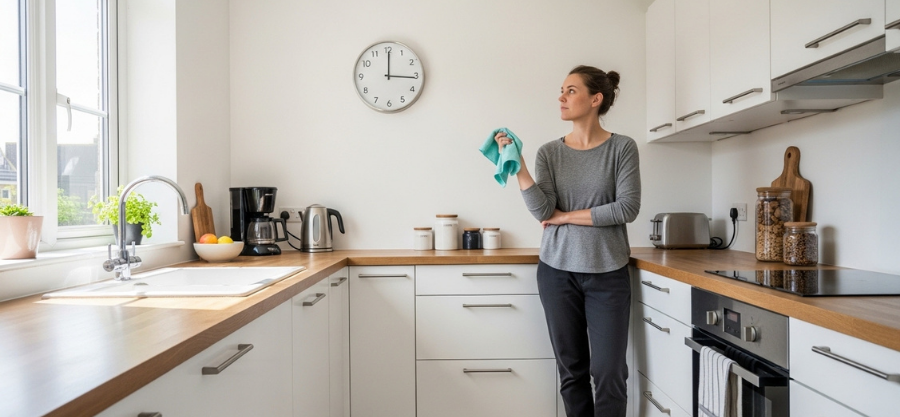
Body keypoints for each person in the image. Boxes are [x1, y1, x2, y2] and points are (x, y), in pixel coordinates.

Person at [495, 65, 641, 417]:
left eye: (571, 90)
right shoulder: (549, 153)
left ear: (596, 99)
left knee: (609, 372)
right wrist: (520, 167)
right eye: (562, 90)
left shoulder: (622, 148)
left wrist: (566, 216)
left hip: (608, 273)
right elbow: (543, 210)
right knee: (571, 372)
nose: (561, 97)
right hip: (557, 273)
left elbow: (627, 207)